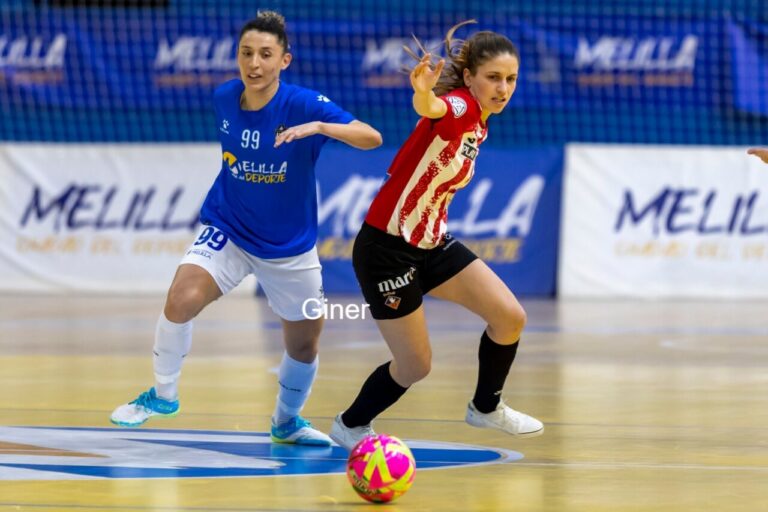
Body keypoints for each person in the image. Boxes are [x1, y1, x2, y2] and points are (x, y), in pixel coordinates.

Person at [110, 11, 382, 446]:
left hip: (289, 249)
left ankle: (286, 422)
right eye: (246, 53)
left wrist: (319, 127)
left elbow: (371, 137)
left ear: (284, 60)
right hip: (230, 228)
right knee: (181, 298)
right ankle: (163, 395)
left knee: (304, 345)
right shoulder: (224, 97)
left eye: (266, 55)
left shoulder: (303, 104)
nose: (254, 64)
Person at [329, 21, 543, 450]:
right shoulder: (461, 107)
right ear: (469, 79)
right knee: (414, 366)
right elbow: (434, 109)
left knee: (509, 318)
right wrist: (425, 93)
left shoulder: (481, 121)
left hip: (432, 243)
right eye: (493, 78)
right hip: (386, 250)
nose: (503, 88)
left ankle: (485, 409)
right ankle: (350, 425)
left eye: (511, 79)